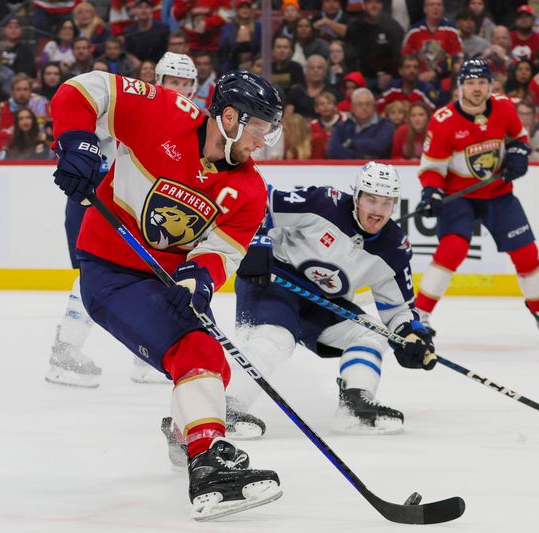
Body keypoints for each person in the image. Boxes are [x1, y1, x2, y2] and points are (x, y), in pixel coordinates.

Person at [50, 68, 284, 518]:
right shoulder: (164, 113)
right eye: (259, 129)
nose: (262, 141)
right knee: (197, 351)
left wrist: (199, 277)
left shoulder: (250, 189)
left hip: (165, 279)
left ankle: (186, 435)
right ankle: (208, 460)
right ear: (230, 118)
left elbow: (223, 250)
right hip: (110, 273)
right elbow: (83, 89)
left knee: (213, 363)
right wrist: (78, 141)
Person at [215, 162, 436, 440]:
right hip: (273, 281)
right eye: (371, 199)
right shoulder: (323, 203)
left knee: (370, 334)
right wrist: (258, 242)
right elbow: (263, 201)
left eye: (386, 202)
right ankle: (224, 408)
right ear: (356, 196)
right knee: (275, 339)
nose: (377, 210)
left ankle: (355, 406)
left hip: (323, 303)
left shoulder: (394, 247)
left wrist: (410, 335)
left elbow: (398, 309)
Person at [46, 50, 200, 389]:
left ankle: (147, 357)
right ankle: (65, 349)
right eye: (172, 81)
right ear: (158, 81)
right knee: (93, 273)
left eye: (186, 83)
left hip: (150, 214)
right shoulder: (141, 104)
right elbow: (85, 108)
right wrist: (81, 153)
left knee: (157, 279)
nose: (179, 88)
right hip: (105, 202)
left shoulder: (196, 123)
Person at [415, 58, 539, 343]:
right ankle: (419, 316)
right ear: (461, 86)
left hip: (497, 192)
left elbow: (519, 139)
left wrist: (518, 155)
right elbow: (432, 168)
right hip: (458, 197)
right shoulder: (443, 122)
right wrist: (432, 192)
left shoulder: (504, 107)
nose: (477, 88)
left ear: (490, 85)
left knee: (526, 253)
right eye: (471, 83)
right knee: (452, 250)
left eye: (482, 82)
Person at [327, 87, 395, 159]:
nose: (364, 107)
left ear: (374, 106)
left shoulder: (385, 124)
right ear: (352, 107)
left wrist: (351, 143)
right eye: (360, 104)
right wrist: (359, 156)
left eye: (368, 104)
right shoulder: (341, 126)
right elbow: (333, 151)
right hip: (347, 168)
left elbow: (379, 146)